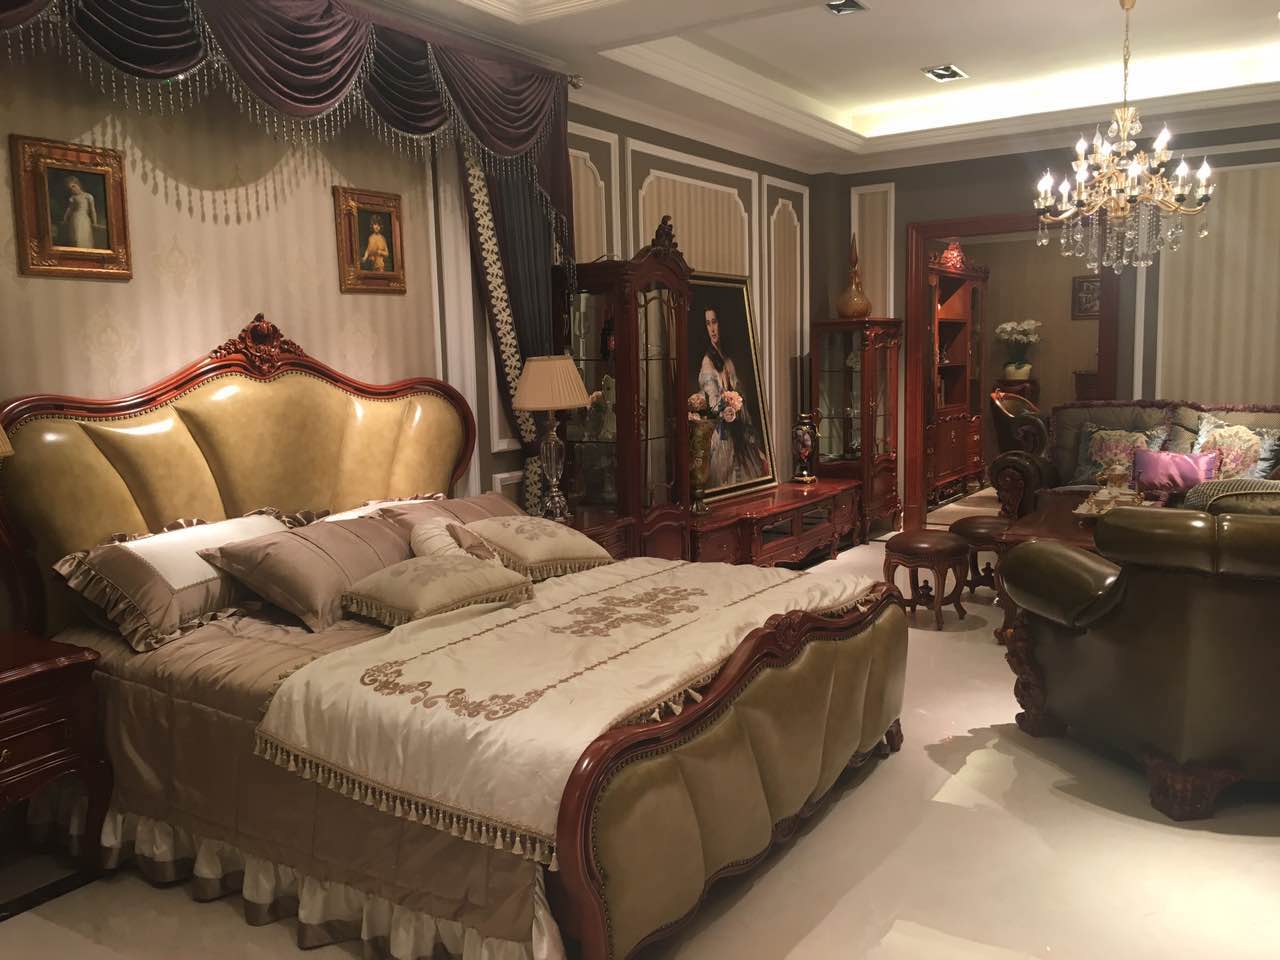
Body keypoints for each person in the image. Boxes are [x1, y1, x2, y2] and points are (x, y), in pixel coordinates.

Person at [697, 307, 771, 489]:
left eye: (714, 322)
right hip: (723, 436)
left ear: (721, 323)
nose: (712, 329)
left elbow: (742, 405)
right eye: (708, 324)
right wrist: (725, 408)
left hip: (739, 433)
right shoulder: (707, 363)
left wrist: (738, 410)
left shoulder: (728, 361)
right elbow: (713, 406)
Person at [61, 176, 98, 249]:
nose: (73, 189)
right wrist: (65, 219)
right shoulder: (73, 198)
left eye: (74, 186)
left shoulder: (88, 196)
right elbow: (69, 209)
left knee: (85, 238)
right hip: (75, 219)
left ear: (78, 185)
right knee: (76, 238)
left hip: (85, 220)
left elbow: (92, 210)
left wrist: (95, 222)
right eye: (70, 188)